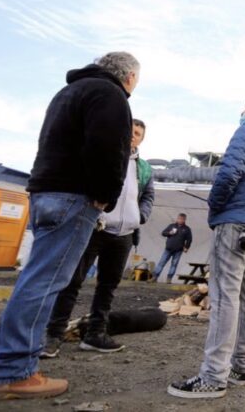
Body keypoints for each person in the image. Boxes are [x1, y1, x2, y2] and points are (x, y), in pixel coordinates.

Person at [0, 52, 138, 399]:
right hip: (75, 197)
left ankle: (1, 353)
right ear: (129, 76)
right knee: (45, 283)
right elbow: (106, 147)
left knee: (33, 278)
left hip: (45, 191)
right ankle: (13, 370)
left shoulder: (69, 91)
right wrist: (105, 194)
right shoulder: (110, 95)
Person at [168, 91, 245, 399]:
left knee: (224, 297)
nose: (243, 112)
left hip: (235, 223)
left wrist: (216, 207)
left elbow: (229, 174)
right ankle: (241, 367)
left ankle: (213, 376)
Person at [43, 119, 154, 358]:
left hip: (124, 235)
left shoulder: (144, 168)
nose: (133, 136)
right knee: (72, 281)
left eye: (138, 134)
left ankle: (95, 334)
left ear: (142, 139)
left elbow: (148, 196)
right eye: (131, 131)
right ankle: (53, 336)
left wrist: (140, 217)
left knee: (108, 287)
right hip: (95, 228)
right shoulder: (107, 155)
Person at [152, 214, 193, 283]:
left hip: (178, 250)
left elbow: (189, 239)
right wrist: (169, 233)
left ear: (184, 220)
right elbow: (163, 233)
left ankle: (169, 279)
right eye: (179, 218)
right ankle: (155, 277)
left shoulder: (187, 229)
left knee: (174, 264)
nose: (180, 220)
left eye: (182, 219)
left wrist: (186, 247)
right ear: (177, 219)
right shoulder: (171, 226)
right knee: (161, 263)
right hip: (168, 248)